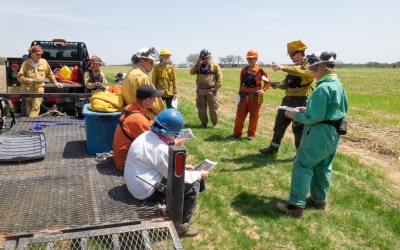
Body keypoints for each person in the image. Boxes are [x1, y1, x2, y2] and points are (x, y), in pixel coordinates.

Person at [276, 51, 348, 217]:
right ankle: (318, 199)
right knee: (323, 166)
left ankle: (295, 206)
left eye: (313, 70)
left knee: (302, 164)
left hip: (319, 133)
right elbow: (338, 108)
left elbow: (313, 117)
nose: (311, 73)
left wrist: (295, 115)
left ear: (322, 68)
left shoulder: (322, 89)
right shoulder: (338, 85)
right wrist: (308, 109)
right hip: (333, 133)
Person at [124, 109, 210, 236]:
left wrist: (183, 166)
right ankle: (180, 226)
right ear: (168, 132)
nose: (175, 137)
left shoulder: (145, 136)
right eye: (175, 134)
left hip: (134, 182)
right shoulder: (161, 150)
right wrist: (199, 175)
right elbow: (179, 178)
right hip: (144, 190)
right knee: (193, 185)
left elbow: (159, 163)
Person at [259, 40, 314, 158]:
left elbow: (301, 72)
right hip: (287, 100)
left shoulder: (308, 66)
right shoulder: (293, 67)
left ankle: (300, 154)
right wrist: (277, 85)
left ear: (301, 53)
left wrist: (282, 67)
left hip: (300, 101)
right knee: (279, 124)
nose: (291, 57)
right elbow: (288, 83)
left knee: (298, 128)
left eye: (292, 55)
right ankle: (273, 148)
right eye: (290, 55)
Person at [112, 84, 163, 172]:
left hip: (120, 157)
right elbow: (153, 142)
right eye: (154, 99)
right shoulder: (138, 119)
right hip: (125, 163)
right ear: (147, 100)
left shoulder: (130, 108)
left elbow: (144, 123)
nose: (154, 101)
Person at [230, 50, 270, 140]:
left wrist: (263, 90)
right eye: (248, 58)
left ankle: (251, 134)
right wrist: (240, 94)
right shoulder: (244, 70)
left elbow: (268, 82)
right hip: (244, 96)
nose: (249, 60)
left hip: (255, 98)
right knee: (239, 115)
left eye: (252, 58)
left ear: (256, 59)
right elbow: (241, 82)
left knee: (254, 116)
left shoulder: (261, 71)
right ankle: (237, 133)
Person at [17, 45, 63, 117]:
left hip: (39, 89)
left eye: (40, 54)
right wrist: (27, 80)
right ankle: (30, 121)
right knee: (27, 108)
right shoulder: (26, 63)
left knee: (36, 107)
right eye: (37, 54)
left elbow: (50, 74)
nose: (39, 56)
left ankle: (31, 122)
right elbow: (19, 77)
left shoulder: (44, 62)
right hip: (27, 89)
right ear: (32, 54)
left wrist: (55, 82)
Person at [121, 47, 165, 120]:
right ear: (142, 62)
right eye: (151, 62)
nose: (153, 65)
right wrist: (162, 113)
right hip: (144, 116)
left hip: (129, 113)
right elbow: (155, 103)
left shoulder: (129, 74)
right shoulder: (143, 77)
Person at [190, 49, 223, 129]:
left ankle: (215, 123)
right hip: (200, 90)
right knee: (201, 108)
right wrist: (197, 64)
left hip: (211, 90)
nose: (204, 60)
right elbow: (191, 72)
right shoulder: (199, 65)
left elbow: (220, 75)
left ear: (209, 57)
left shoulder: (214, 65)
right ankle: (203, 123)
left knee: (213, 108)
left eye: (206, 58)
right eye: (202, 58)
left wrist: (217, 86)